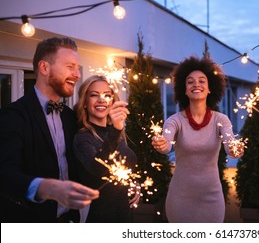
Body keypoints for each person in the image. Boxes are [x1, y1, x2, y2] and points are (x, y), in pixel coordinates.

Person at [0, 37, 99, 223]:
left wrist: (123, 184)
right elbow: (4, 174)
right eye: (70, 66)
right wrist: (47, 188)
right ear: (44, 68)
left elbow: (85, 164)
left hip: (69, 221)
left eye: (78, 68)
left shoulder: (70, 117)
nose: (77, 74)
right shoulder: (12, 116)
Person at [151, 56, 244, 223]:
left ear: (210, 89)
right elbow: (165, 145)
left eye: (202, 81)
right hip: (180, 198)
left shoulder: (221, 120)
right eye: (190, 82)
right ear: (184, 90)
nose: (196, 85)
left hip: (212, 198)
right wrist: (161, 144)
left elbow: (230, 145)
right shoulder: (174, 120)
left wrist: (235, 149)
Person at [73, 75, 139, 222]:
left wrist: (134, 183)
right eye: (94, 95)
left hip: (126, 217)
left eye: (107, 95)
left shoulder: (116, 133)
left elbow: (124, 166)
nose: (101, 100)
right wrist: (115, 130)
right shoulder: (83, 137)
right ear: (85, 102)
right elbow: (99, 168)